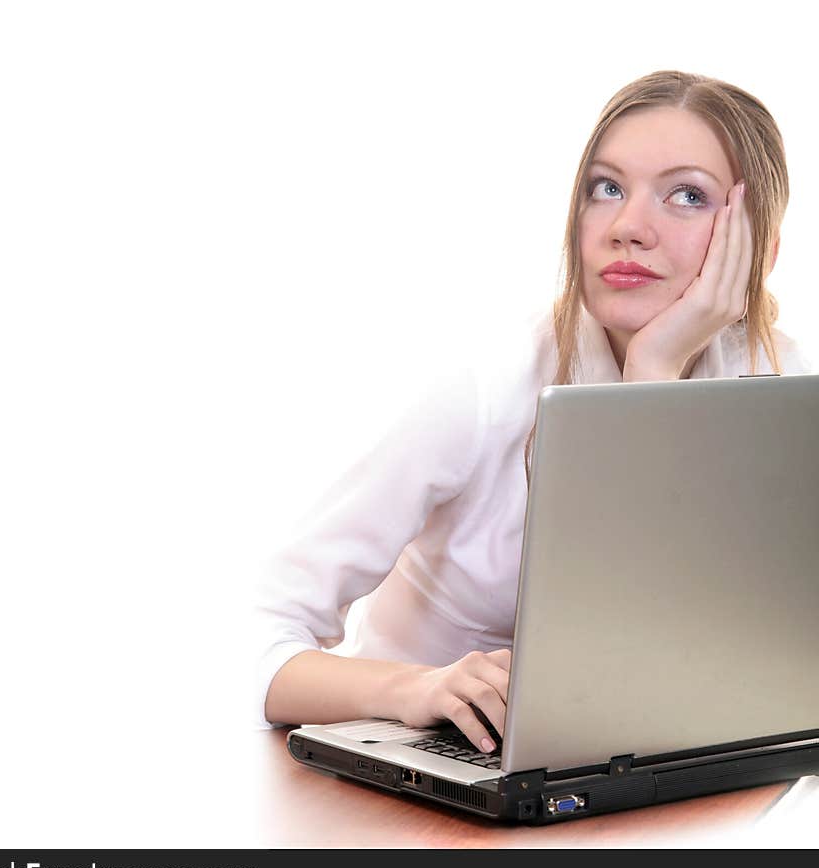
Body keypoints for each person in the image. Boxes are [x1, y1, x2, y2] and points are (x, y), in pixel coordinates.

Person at [253, 70, 812, 754]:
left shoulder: (781, 391)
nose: (627, 227)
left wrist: (652, 377)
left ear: (761, 246)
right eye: (605, 188)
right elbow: (254, 633)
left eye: (687, 195)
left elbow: (686, 657)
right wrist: (410, 688)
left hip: (638, 776)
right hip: (425, 780)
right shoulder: (489, 387)